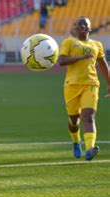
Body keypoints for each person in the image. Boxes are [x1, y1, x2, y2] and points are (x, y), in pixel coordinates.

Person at [58, 16, 110, 161]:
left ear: (90, 28)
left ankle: (90, 149)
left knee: (88, 116)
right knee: (74, 121)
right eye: (79, 25)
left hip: (91, 84)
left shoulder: (97, 45)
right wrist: (82, 57)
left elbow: (103, 64)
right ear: (75, 28)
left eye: (85, 25)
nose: (82, 27)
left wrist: (109, 83)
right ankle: (75, 141)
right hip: (72, 85)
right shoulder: (69, 42)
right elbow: (61, 61)